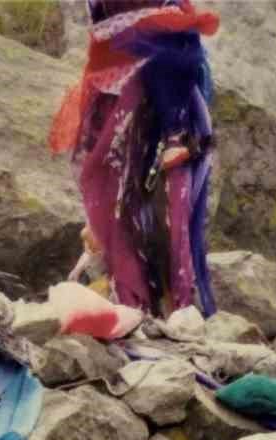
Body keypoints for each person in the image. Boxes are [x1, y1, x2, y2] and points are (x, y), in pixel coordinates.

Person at [50, 0, 221, 318]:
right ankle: (155, 298)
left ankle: (164, 300)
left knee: (158, 191)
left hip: (157, 72)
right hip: (133, 67)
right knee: (122, 182)